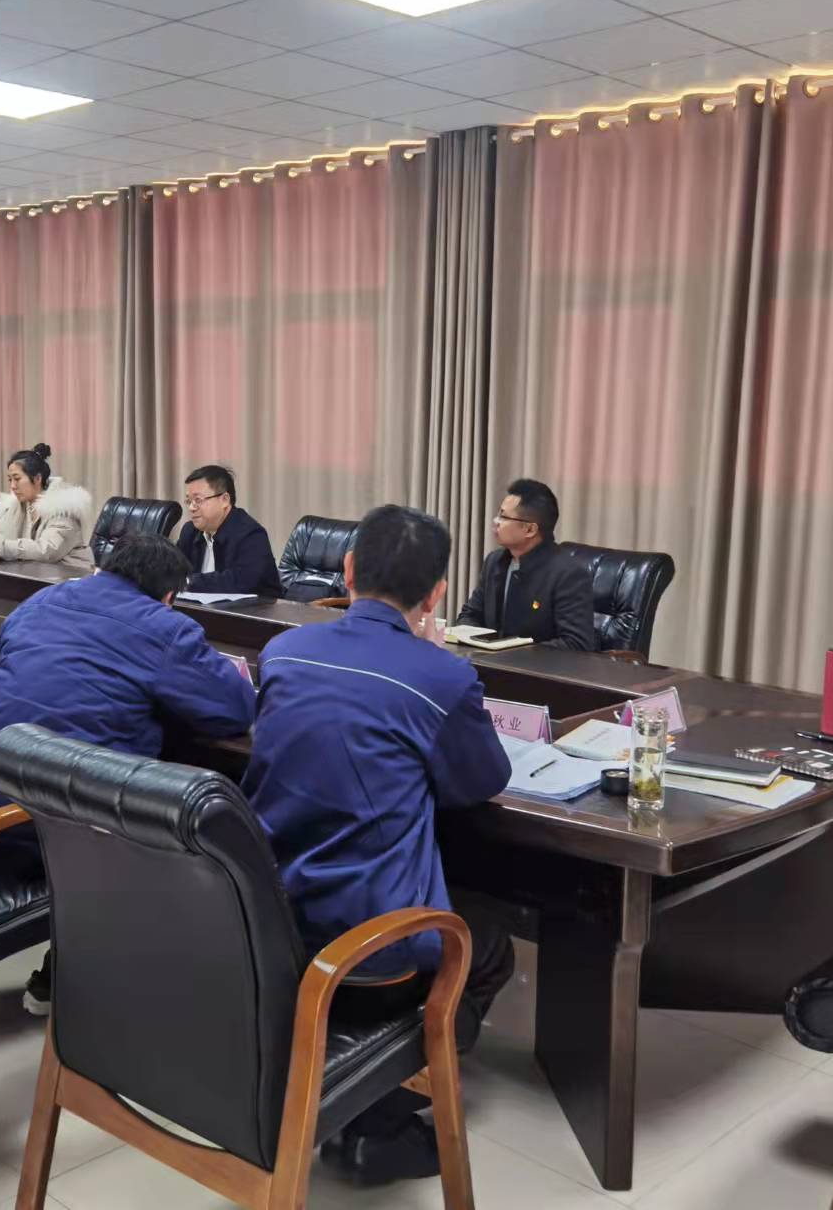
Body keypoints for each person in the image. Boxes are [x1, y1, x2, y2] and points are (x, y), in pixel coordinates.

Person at [242, 504, 515, 1186]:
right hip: (367, 956)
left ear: (348, 569)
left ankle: (349, 1087)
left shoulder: (283, 651)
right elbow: (482, 779)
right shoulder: (442, 677)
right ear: (437, 594)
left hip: (267, 923)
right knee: (488, 942)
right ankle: (379, 1116)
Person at [0, 533, 258, 1015]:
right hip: (71, 829)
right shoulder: (165, 628)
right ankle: (131, 988)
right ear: (169, 596)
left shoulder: (41, 600)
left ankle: (71, 965)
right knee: (194, 826)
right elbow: (234, 709)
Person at [455, 478, 596, 651]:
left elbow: (576, 643)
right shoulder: (495, 561)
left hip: (535, 667)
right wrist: (475, 640)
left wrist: (511, 652)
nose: (495, 521)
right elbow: (470, 615)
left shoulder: (568, 574)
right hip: (487, 662)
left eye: (503, 516)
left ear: (530, 530)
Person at [0, 443, 93, 567]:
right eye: (10, 480)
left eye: (17, 479)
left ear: (37, 478)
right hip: (36, 575)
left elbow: (46, 551)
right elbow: (0, 540)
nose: (12, 486)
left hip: (70, 576)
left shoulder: (63, 509)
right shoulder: (16, 508)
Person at [173, 464, 282, 597]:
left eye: (198, 500)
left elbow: (241, 581)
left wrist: (187, 582)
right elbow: (172, 570)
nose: (191, 508)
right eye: (188, 501)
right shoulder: (190, 531)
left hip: (254, 608)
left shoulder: (251, 534)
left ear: (224, 500)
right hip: (200, 607)